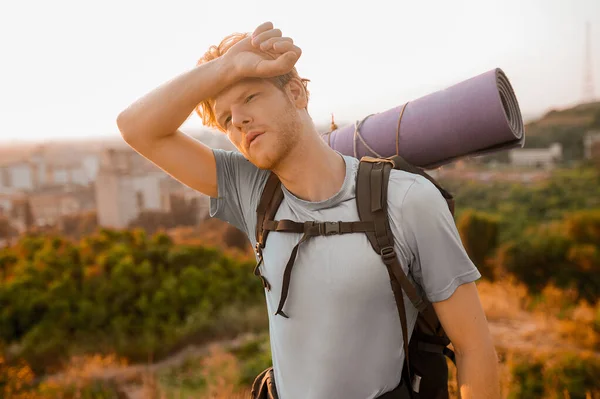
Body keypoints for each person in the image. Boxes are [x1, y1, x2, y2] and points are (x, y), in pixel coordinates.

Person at [117, 21, 500, 399]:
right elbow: (136, 128)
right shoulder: (252, 191)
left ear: (297, 93)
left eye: (250, 97)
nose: (240, 122)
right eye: (226, 120)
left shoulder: (407, 200)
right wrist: (225, 68)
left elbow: (474, 349)